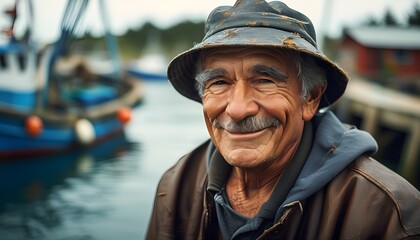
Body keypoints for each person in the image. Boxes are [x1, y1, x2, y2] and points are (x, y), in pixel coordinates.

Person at [146, 0, 420, 239]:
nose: (238, 109)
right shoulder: (176, 187)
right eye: (219, 82)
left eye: (265, 80)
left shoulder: (386, 212)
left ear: (310, 98)